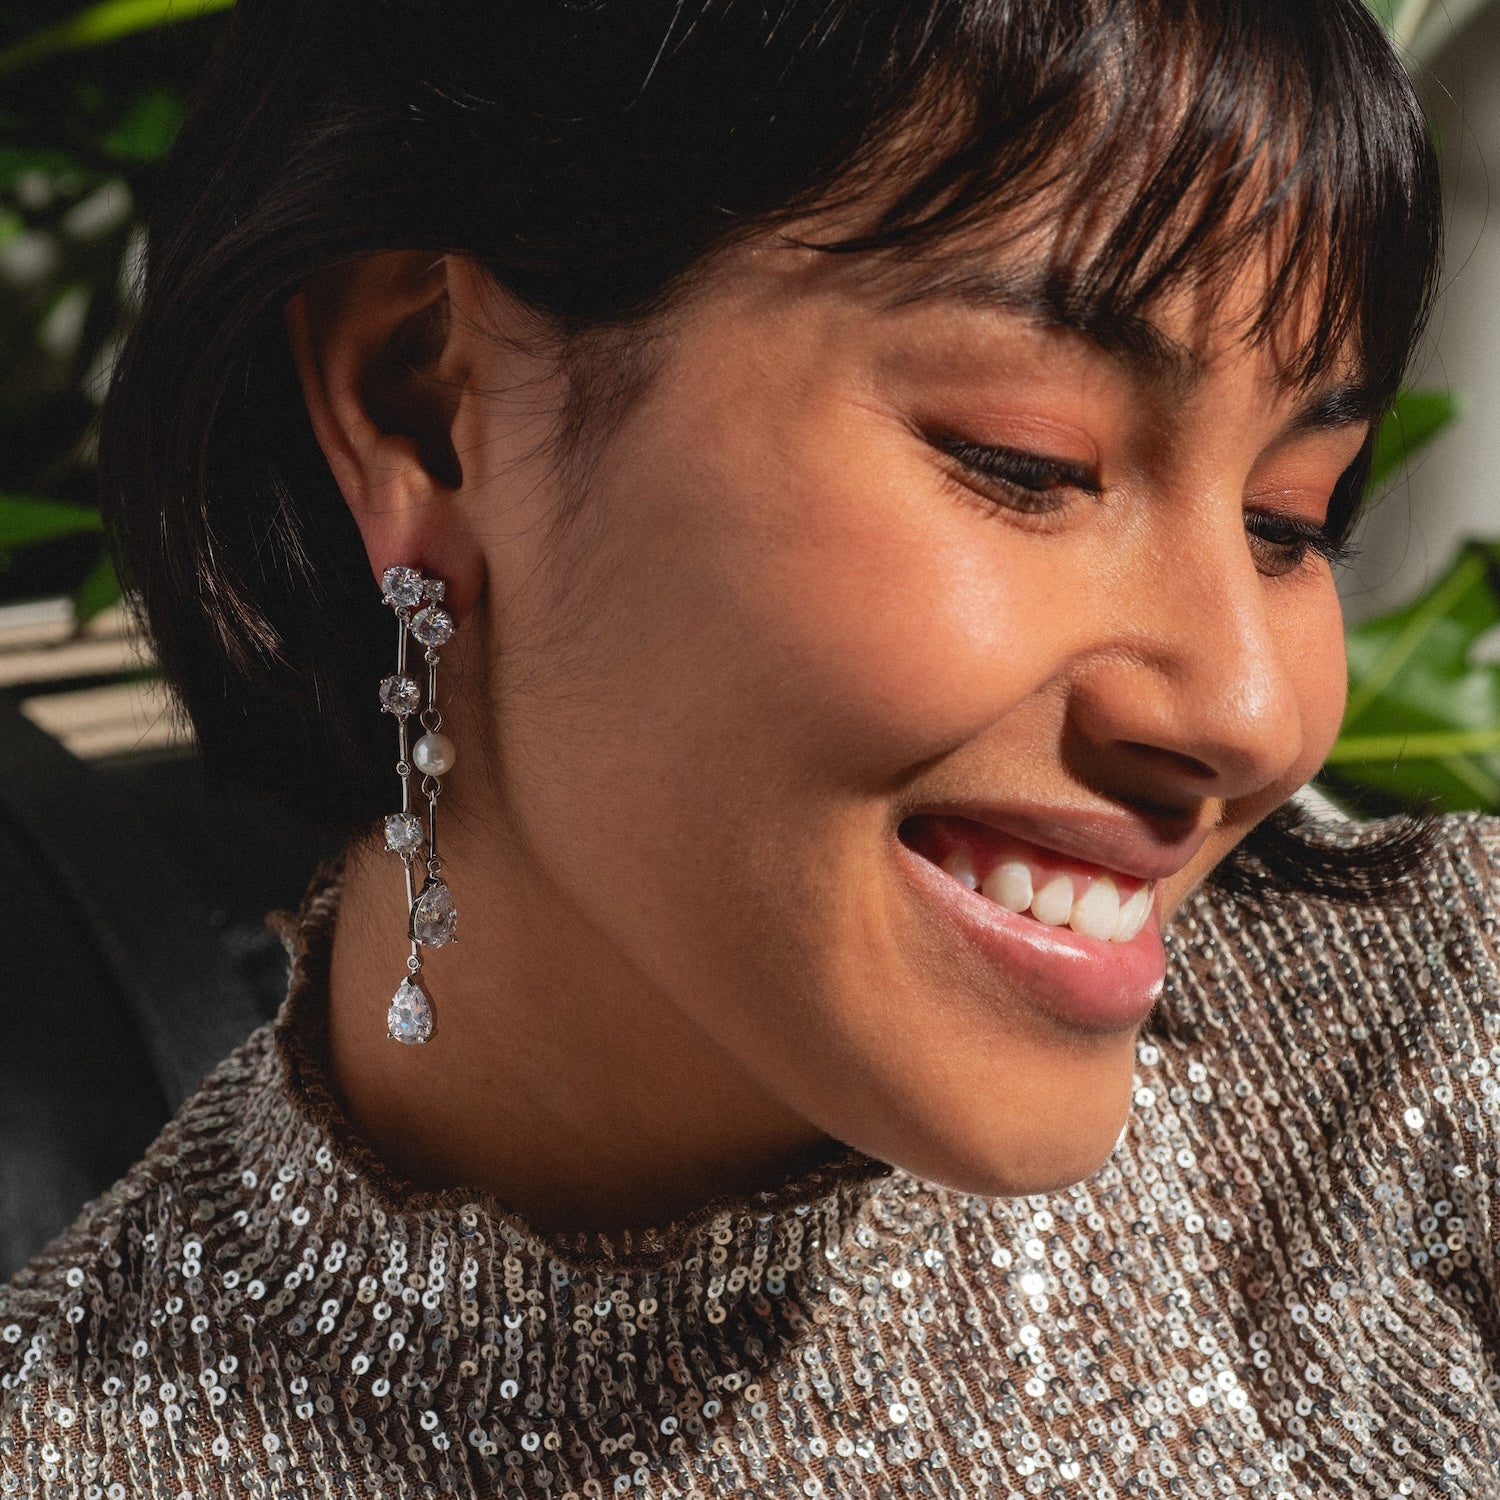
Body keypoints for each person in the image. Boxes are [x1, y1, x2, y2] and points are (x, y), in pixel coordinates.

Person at [0, 0, 1487, 1494]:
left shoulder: (1427, 1075)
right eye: (1026, 462)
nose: (1248, 710)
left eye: (1289, 523)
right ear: (430, 402)